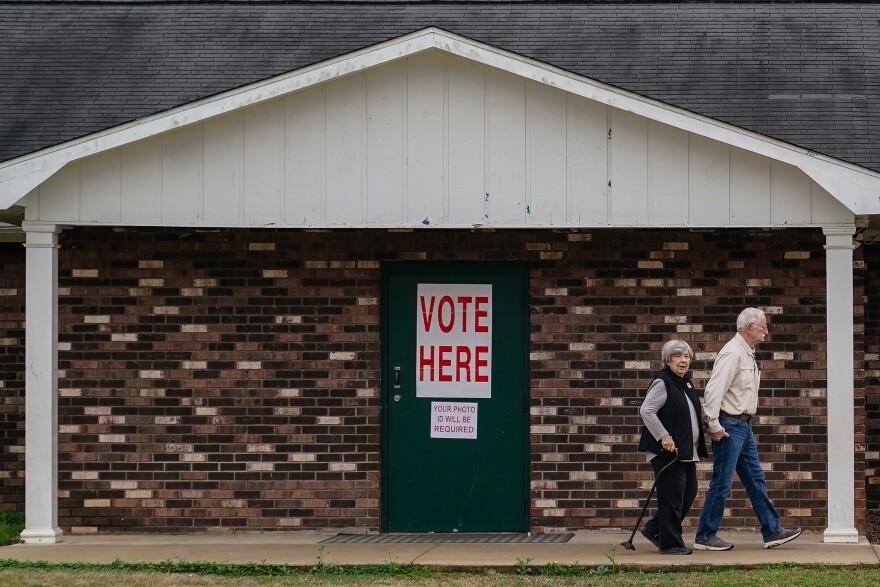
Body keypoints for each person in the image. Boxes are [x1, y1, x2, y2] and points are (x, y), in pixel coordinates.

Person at [693, 307, 802, 551]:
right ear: (748, 326)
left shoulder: (747, 353)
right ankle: (705, 536)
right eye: (763, 324)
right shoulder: (732, 353)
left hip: (743, 426)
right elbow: (713, 390)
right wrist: (713, 424)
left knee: (755, 479)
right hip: (729, 426)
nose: (766, 329)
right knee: (722, 483)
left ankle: (772, 531)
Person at [637, 339, 708, 555]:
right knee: (672, 497)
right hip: (668, 451)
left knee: (687, 493)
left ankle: (654, 528)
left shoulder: (684, 382)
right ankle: (671, 544)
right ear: (668, 360)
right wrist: (663, 436)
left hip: (685, 450)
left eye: (686, 356)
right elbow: (646, 410)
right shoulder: (663, 381)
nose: (683, 360)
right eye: (678, 356)